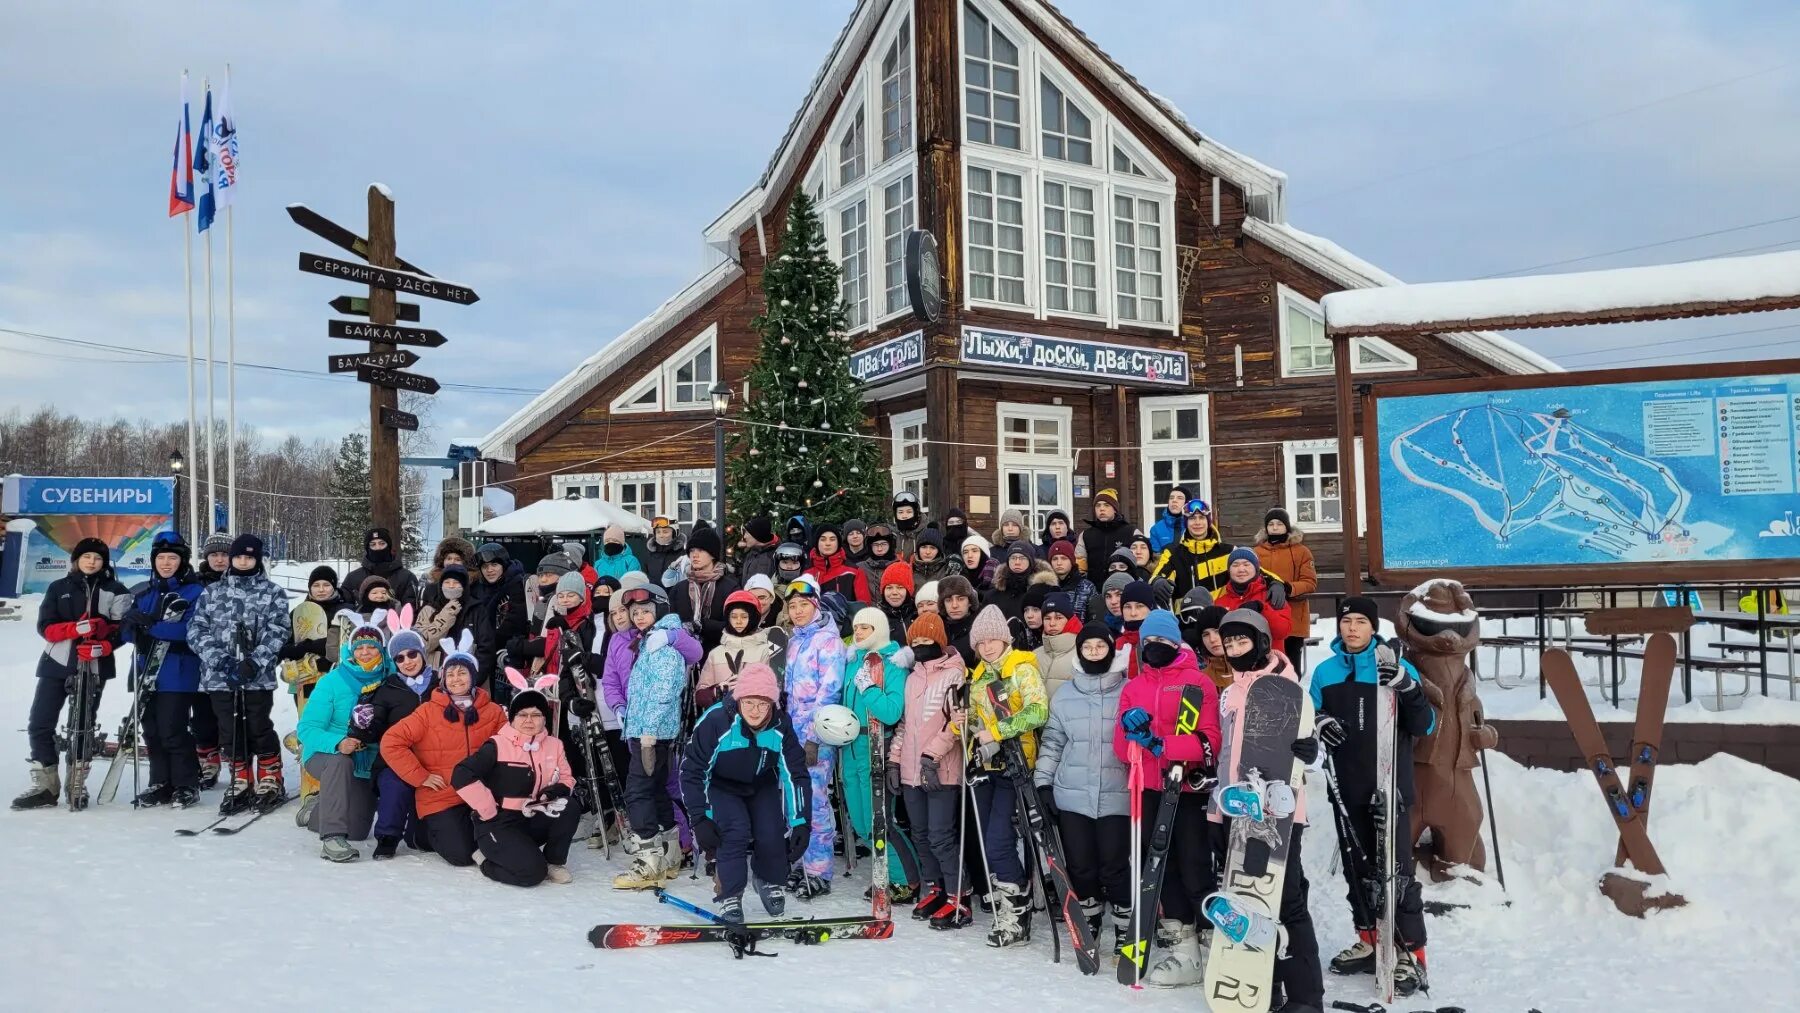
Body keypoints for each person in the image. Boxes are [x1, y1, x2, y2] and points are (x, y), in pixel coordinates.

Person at [1312, 597, 1436, 997]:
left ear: (1373, 627)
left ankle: (1409, 954)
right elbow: (1305, 718)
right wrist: (1319, 721)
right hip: (1346, 788)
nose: (1351, 629)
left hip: (1390, 788)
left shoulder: (1392, 665)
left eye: (1360, 622)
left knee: (1396, 874)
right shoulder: (1325, 672)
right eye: (1346, 621)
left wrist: (1406, 685)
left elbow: (1425, 724)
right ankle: (1370, 940)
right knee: (1357, 870)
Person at [1211, 607, 1325, 1011]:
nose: (1235, 648)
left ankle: (1306, 997)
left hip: (1279, 814)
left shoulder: (1289, 687)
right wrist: (1215, 811)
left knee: (1286, 899)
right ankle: (1263, 988)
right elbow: (1225, 756)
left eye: (1242, 641)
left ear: (1261, 643)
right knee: (1246, 901)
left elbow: (1315, 755)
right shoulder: (1229, 693)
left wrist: (1311, 752)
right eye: (1229, 643)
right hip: (1236, 809)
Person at [1114, 609, 1222, 986]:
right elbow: (1119, 744)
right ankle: (1183, 948)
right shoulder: (1133, 686)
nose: (1155, 648)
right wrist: (1133, 736)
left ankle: (1213, 940)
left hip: (1185, 788)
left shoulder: (1198, 683)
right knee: (1159, 866)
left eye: (1162, 642)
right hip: (1146, 787)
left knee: (1194, 864)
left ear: (1176, 644)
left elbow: (1209, 742)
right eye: (1149, 643)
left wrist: (1162, 744)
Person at [682, 662, 811, 921]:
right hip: (721, 785)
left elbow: (795, 774)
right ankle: (729, 893)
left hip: (760, 783)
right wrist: (699, 817)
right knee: (734, 830)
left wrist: (801, 822)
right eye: (749, 702)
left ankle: (768, 879)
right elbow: (692, 771)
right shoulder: (716, 721)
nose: (755, 710)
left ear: (772, 704)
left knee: (772, 831)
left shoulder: (780, 726)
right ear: (739, 699)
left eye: (762, 704)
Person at [13, 538, 130, 810]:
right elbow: (46, 627)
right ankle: (46, 785)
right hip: (57, 662)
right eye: (87, 556)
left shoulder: (116, 590)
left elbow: (121, 630)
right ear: (76, 559)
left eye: (98, 558)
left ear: (105, 563)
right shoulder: (58, 588)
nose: (92, 562)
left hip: (94, 665)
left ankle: (77, 782)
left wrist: (104, 644)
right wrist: (74, 629)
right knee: (40, 722)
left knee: (84, 724)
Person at [1037, 622, 1132, 955]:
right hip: (1072, 795)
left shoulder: (1128, 690)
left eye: (1100, 647)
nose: (1094, 653)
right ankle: (1089, 918)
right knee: (1080, 865)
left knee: (1115, 865)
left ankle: (1124, 924)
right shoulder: (1066, 693)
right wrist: (1044, 783)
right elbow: (1052, 742)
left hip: (1118, 795)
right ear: (1079, 652)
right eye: (1088, 648)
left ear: (1111, 650)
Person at [960, 604, 1049, 947]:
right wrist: (962, 723)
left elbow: (1038, 711)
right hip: (985, 765)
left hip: (1017, 763)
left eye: (993, 640)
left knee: (998, 838)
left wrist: (997, 731)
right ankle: (1010, 902)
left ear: (1005, 639)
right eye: (981, 643)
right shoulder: (978, 675)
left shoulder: (1021, 667)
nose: (987, 648)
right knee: (987, 839)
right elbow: (971, 723)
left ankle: (1017, 911)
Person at [380, 635, 508, 868]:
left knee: (503, 839)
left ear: (473, 676)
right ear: (443, 680)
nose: (455, 679)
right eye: (450, 674)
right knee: (462, 855)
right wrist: (421, 776)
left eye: (461, 673)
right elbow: (391, 741)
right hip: (442, 796)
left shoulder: (493, 711)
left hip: (481, 794)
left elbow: (509, 748)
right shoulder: (428, 711)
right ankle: (421, 834)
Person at [606, 584, 701, 888]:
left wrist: (647, 733)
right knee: (657, 789)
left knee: (637, 792)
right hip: (645, 730)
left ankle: (648, 858)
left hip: (650, 734)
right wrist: (625, 711)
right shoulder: (647, 642)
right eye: (635, 613)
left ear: (658, 611)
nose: (640, 617)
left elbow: (664, 693)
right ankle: (671, 854)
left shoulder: (664, 646)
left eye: (646, 611)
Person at [188, 535, 290, 816]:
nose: (243, 562)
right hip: (220, 677)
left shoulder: (272, 592)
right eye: (238, 557)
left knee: (258, 726)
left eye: (249, 557)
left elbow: (279, 629)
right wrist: (220, 661)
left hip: (257, 677)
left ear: (257, 560)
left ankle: (270, 777)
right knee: (229, 730)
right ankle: (241, 777)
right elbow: (197, 630)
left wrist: (254, 662)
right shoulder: (212, 593)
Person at [453, 678, 581, 886]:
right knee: (532, 874)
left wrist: (551, 793)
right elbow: (461, 774)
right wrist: (488, 809)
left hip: (532, 817)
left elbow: (567, 779)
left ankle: (553, 862)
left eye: (536, 715)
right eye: (522, 714)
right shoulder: (497, 745)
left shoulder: (554, 745)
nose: (529, 720)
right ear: (512, 718)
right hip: (499, 823)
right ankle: (485, 860)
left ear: (544, 718)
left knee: (570, 807)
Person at [890, 614, 970, 928]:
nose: (921, 647)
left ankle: (959, 896)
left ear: (939, 641)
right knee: (921, 835)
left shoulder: (954, 675)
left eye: (927, 641)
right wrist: (895, 760)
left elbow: (957, 722)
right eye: (916, 642)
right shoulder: (911, 678)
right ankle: (936, 888)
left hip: (941, 770)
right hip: (911, 771)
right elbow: (905, 724)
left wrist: (931, 755)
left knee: (940, 837)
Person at [296, 611, 395, 862]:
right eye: (359, 647)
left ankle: (319, 807)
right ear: (351, 650)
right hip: (324, 755)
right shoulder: (332, 681)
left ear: (381, 651)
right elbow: (306, 729)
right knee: (341, 760)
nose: (365, 653)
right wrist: (338, 742)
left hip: (366, 761)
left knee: (359, 832)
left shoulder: (391, 681)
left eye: (371, 647)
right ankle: (332, 839)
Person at [119, 532, 207, 809]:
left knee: (173, 728)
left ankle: (185, 783)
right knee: (151, 729)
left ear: (182, 561)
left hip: (177, 672)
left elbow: (191, 630)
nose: (166, 563)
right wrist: (134, 628)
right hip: (145, 670)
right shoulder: (144, 593)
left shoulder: (195, 591)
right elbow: (126, 633)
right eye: (161, 558)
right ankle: (160, 781)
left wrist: (151, 627)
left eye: (172, 558)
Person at [776, 576, 846, 899]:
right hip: (791, 734)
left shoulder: (828, 641)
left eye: (804, 605)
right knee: (794, 799)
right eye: (792, 606)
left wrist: (815, 737)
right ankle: (799, 861)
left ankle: (819, 869)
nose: (798, 611)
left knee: (816, 800)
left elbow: (829, 692)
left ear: (816, 605)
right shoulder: (795, 640)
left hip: (815, 737)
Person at [842, 608, 916, 901]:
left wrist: (870, 688)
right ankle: (889, 873)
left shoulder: (893, 664)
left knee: (880, 820)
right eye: (857, 627)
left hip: (876, 745)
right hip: (849, 746)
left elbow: (891, 712)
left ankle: (905, 879)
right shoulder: (853, 659)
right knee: (861, 823)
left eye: (866, 628)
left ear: (880, 631)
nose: (858, 633)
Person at [351, 619, 439, 859]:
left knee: (420, 839)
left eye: (412, 654)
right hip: (396, 758)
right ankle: (388, 837)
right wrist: (363, 723)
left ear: (422, 654)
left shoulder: (440, 684)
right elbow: (375, 730)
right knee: (394, 784)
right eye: (400, 658)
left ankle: (421, 832)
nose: (407, 662)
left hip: (435, 757)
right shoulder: (387, 688)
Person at [279, 565, 350, 825]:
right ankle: (311, 788)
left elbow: (345, 644)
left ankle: (335, 785)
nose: (321, 589)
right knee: (309, 729)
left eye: (326, 585)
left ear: (334, 586)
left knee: (335, 729)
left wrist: (311, 650)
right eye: (316, 585)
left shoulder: (345, 611)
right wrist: (298, 653)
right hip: (305, 682)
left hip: (336, 681)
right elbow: (285, 645)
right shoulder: (300, 614)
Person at [696, 590, 786, 710]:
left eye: (744, 616)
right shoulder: (716, 653)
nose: (738, 621)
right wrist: (717, 689)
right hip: (721, 719)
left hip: (755, 717)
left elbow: (772, 686)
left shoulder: (765, 650)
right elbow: (700, 695)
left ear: (753, 618)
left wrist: (746, 686)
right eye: (733, 617)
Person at [189, 532, 231, 786]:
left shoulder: (242, 580)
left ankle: (238, 760)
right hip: (202, 660)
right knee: (203, 715)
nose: (219, 559)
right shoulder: (196, 583)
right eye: (214, 554)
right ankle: (208, 761)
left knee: (231, 715)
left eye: (224, 554)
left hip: (233, 659)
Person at [1255, 508, 1318, 673]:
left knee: (1291, 666)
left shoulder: (1301, 551)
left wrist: (1287, 587)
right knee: (1266, 665)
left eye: (1279, 524)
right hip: (1266, 617)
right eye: (1271, 524)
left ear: (1287, 527)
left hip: (1294, 618)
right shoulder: (1257, 552)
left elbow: (1310, 582)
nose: (1275, 528)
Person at [671, 521, 741, 653]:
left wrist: (704, 625)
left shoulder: (730, 588)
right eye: (691, 550)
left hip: (720, 657)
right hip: (686, 660)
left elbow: (737, 625)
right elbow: (671, 624)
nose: (694, 555)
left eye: (701, 550)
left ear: (713, 554)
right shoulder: (679, 589)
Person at [469, 542, 528, 695]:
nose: (489, 570)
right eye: (485, 566)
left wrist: (489, 642)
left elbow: (515, 621)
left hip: (510, 656)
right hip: (486, 657)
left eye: (494, 564)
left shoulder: (517, 584)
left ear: (503, 564)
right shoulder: (479, 589)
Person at [1213, 547, 1295, 651]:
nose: (1241, 569)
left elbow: (1282, 632)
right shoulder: (1220, 602)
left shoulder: (1272, 595)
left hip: (1270, 662)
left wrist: (1262, 608)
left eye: (1246, 564)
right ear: (1229, 570)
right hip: (1233, 663)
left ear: (1256, 568)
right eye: (1235, 565)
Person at [1150, 499, 1234, 599]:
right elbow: (1156, 576)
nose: (1197, 522)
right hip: (1185, 613)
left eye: (1202, 518)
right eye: (1192, 518)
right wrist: (1158, 582)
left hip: (1221, 612)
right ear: (1186, 522)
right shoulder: (1173, 554)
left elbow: (1253, 573)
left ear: (1208, 521)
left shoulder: (1229, 552)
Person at [341, 527, 419, 608]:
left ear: (388, 546)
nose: (378, 548)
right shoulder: (353, 578)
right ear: (367, 548)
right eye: (373, 544)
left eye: (382, 543)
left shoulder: (407, 577)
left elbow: (411, 609)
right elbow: (344, 607)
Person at [415, 563, 472, 667]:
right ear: (440, 585)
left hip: (465, 673)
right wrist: (445, 617)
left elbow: (485, 647)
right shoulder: (428, 609)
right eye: (447, 582)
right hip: (433, 672)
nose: (451, 586)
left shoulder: (475, 608)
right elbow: (420, 643)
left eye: (456, 582)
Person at [988, 542, 1056, 621]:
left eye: (1022, 558)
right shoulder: (993, 595)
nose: (1017, 562)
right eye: (1013, 558)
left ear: (1030, 561)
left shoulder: (1044, 591)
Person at [1035, 592, 1082, 701]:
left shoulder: (1081, 655)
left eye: (1058, 618)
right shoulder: (1035, 655)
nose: (1052, 623)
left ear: (1070, 620)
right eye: (1047, 618)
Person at [1079, 489, 1136, 580]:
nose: (1101, 509)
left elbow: (1140, 561)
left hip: (1123, 588)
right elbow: (1080, 567)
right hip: (1094, 589)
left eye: (1106, 505)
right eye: (1098, 506)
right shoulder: (1086, 535)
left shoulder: (1131, 532)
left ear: (1115, 509)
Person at [804, 524, 870, 603]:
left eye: (832, 539)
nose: (827, 543)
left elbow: (864, 606)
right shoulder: (807, 574)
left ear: (838, 543)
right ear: (817, 543)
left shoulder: (855, 572)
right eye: (823, 539)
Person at [1116, 580, 1158, 678]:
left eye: (1139, 606)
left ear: (1151, 608)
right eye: (1127, 607)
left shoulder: (1165, 640)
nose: (1133, 613)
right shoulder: (1116, 646)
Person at [422, 536, 477, 611]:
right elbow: (423, 615)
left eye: (458, 559)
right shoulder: (431, 588)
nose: (452, 562)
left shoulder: (474, 585)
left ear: (466, 563)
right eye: (449, 558)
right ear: (442, 561)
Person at [937, 575, 980, 667]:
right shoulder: (936, 629)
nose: (954, 605)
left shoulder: (981, 627)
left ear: (970, 602)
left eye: (961, 599)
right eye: (948, 600)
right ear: (943, 604)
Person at [1047, 540, 1095, 620]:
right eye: (1055, 559)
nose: (1059, 563)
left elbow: (1094, 619)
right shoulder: (1045, 586)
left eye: (1064, 558)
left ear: (1072, 561)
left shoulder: (1087, 588)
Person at [641, 516, 687, 583]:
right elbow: (644, 578)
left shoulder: (683, 555)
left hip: (676, 593)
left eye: (665, 532)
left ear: (674, 533)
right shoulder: (649, 555)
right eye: (658, 532)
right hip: (654, 593)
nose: (661, 535)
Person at [875, 561, 916, 634]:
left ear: (908, 591)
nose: (894, 592)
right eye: (889, 588)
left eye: (900, 587)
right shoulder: (876, 617)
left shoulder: (918, 614)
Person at [737, 515, 780, 583]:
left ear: (757, 535)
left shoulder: (775, 556)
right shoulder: (751, 552)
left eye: (747, 533)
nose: (744, 536)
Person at [1148, 486, 1190, 554]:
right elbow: (1155, 558)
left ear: (1187, 503)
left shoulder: (1194, 526)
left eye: (1180, 498)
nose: (1174, 500)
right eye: (1171, 498)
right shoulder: (1156, 529)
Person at [891, 491, 924, 560]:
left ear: (916, 513)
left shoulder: (926, 533)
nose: (904, 516)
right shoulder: (892, 535)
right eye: (900, 512)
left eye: (909, 512)